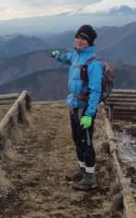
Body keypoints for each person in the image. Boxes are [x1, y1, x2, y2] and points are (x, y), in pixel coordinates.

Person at [51, 24, 103, 191]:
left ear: (90, 42)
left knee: (86, 143)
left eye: (84, 39)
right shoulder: (75, 57)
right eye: (78, 37)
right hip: (73, 106)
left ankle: (90, 178)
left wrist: (90, 113)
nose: (79, 41)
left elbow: (95, 91)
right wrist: (57, 56)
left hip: (85, 109)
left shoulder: (93, 63)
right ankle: (81, 171)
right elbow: (66, 58)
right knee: (77, 140)